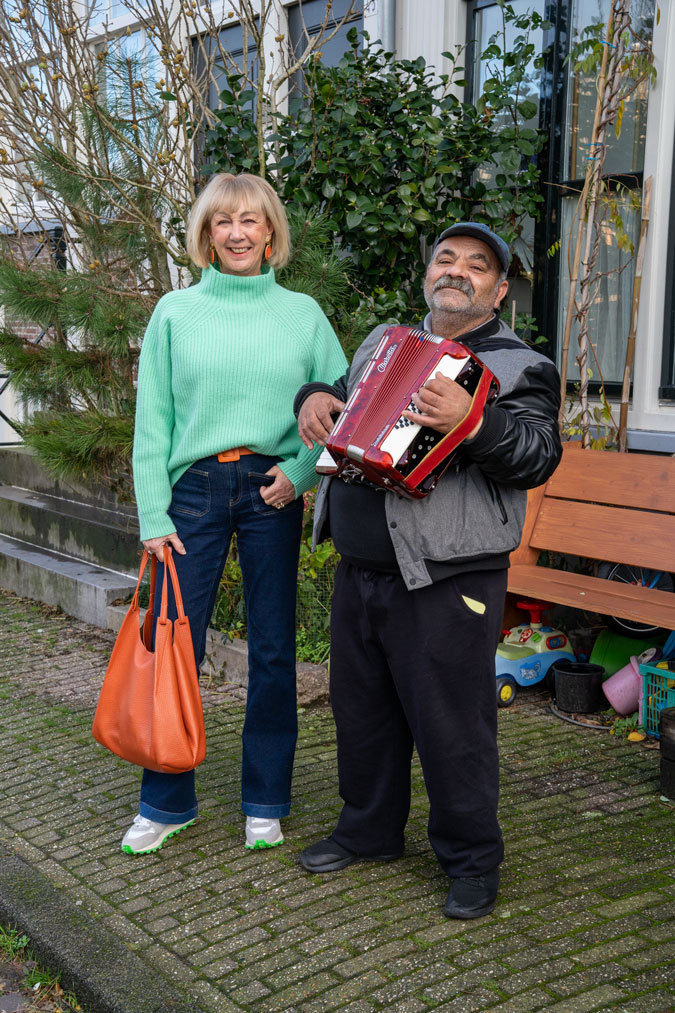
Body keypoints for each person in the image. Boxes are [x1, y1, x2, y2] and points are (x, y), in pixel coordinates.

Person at [294, 222, 562, 918]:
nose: (456, 271)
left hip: (449, 577)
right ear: (427, 275)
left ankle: (472, 859)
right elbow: (343, 391)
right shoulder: (385, 340)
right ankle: (369, 830)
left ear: (499, 289)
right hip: (360, 569)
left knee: (452, 726)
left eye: (477, 266)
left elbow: (535, 455)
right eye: (445, 259)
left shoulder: (519, 364)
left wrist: (471, 422)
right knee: (362, 713)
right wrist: (312, 399)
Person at [125, 172, 347, 855]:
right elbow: (153, 420)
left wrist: (302, 471)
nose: (238, 232)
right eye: (223, 221)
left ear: (271, 232)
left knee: (274, 649)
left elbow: (345, 406)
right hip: (190, 491)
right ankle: (166, 801)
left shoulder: (304, 313)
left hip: (270, 490)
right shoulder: (174, 312)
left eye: (250, 220)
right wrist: (152, 514)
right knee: (172, 646)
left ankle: (265, 798)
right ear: (205, 234)